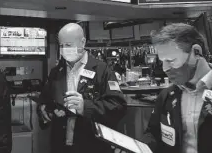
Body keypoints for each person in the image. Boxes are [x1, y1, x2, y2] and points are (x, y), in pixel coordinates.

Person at [37, 23, 127, 153]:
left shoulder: (102, 70)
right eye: (61, 46)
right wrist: (45, 111)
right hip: (61, 146)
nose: (64, 49)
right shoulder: (56, 72)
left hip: (92, 145)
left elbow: (118, 106)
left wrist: (85, 107)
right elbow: (44, 101)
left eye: (68, 45)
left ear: (82, 42)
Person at [140, 23, 212, 153]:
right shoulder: (166, 96)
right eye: (162, 61)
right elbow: (153, 133)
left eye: (171, 60)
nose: (165, 68)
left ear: (196, 52)